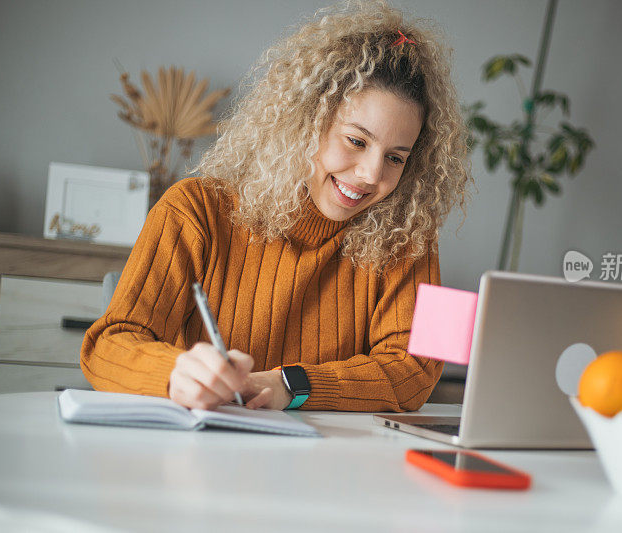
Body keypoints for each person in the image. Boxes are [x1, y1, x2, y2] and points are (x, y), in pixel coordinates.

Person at [80, 0, 470, 412]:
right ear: (305, 122)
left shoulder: (413, 236)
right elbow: (105, 346)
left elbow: (417, 376)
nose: (372, 175)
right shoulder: (192, 209)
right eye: (356, 141)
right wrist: (175, 374)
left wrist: (291, 384)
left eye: (396, 157)